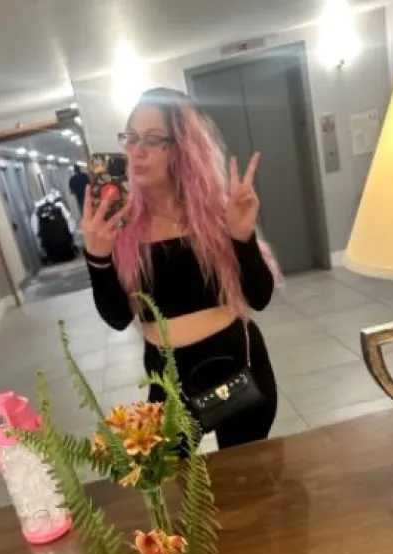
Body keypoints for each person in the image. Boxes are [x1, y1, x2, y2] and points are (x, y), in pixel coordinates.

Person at [83, 87, 280, 451]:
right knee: (176, 483)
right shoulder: (120, 225)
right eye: (131, 137)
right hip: (168, 380)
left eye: (152, 140)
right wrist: (98, 258)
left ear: (182, 148)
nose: (136, 151)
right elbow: (117, 318)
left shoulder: (219, 212)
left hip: (237, 368)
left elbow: (260, 297)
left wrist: (242, 237)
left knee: (245, 480)